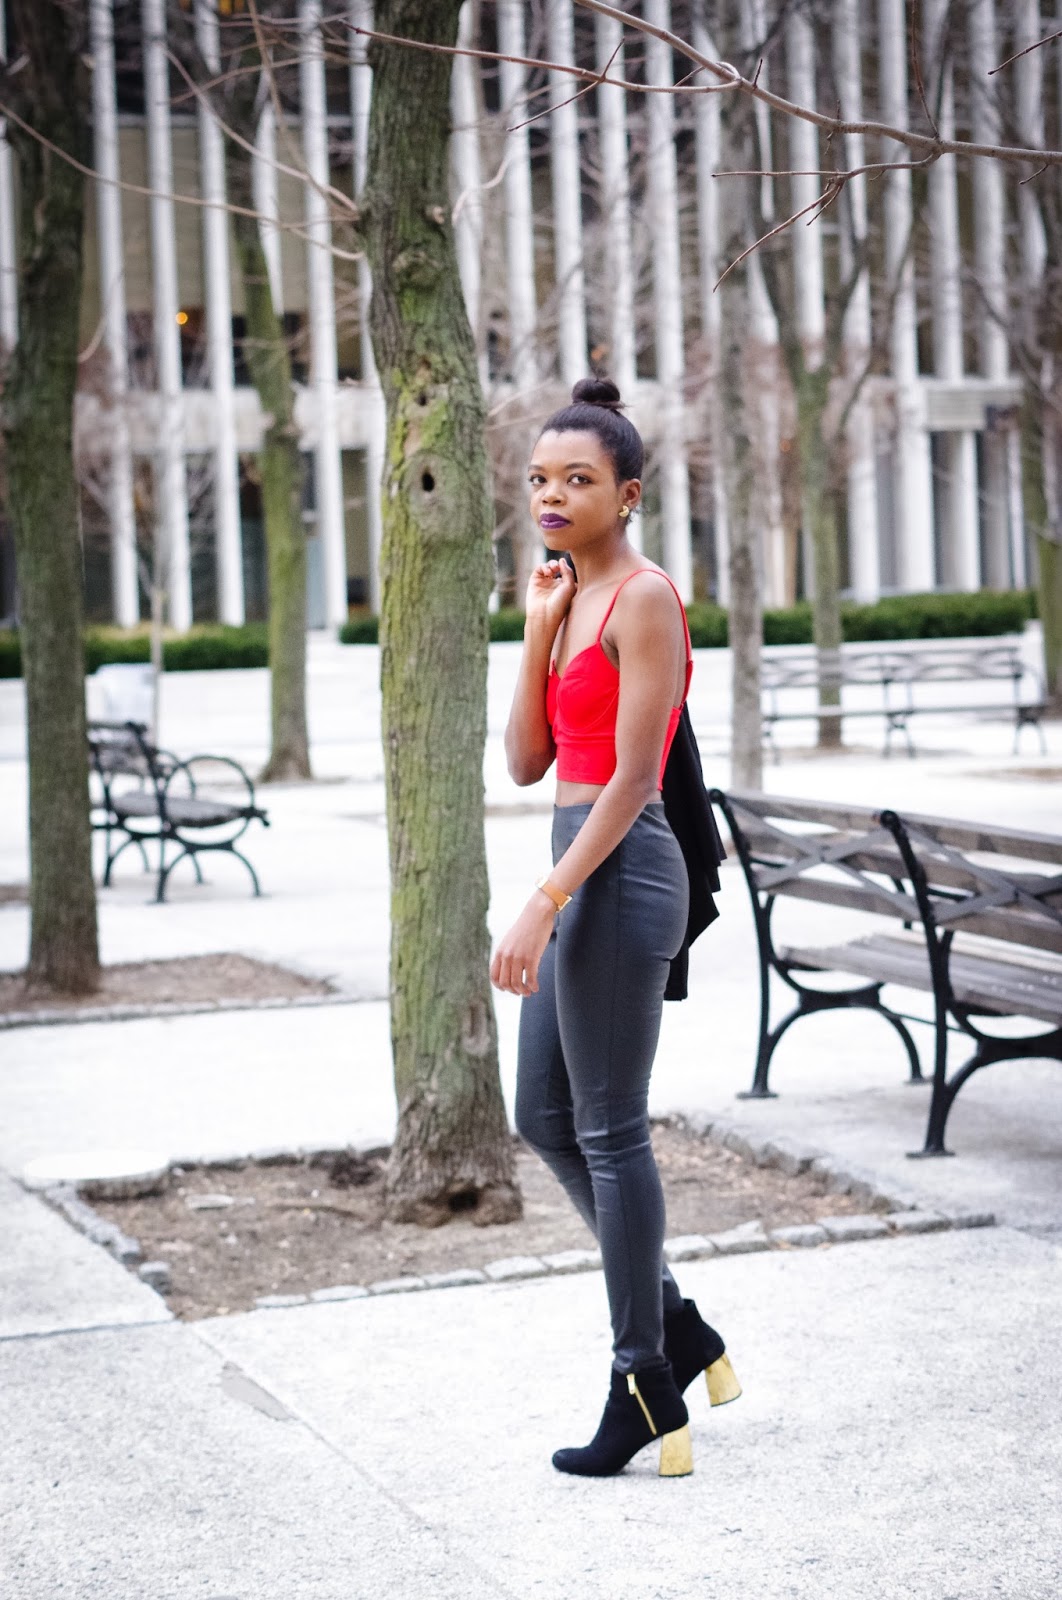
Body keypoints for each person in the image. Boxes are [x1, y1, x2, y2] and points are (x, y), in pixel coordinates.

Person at [490, 377, 740, 1480]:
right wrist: (536, 630)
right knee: (541, 1113)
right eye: (539, 479)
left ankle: (642, 1379)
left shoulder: (645, 598)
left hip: (624, 867)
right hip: (574, 856)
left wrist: (545, 902)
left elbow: (635, 778)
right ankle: (678, 1326)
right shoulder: (570, 600)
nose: (551, 496)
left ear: (627, 494)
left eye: (577, 480)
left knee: (609, 1128)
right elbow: (525, 761)